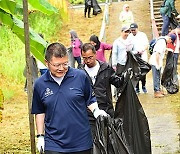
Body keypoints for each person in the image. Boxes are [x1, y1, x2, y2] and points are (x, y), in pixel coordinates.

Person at [31, 42, 107, 153]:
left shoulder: (80, 76)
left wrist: (96, 111)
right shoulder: (40, 84)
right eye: (57, 65)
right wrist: (40, 136)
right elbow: (40, 112)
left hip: (81, 143)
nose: (61, 68)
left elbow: (90, 99)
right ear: (47, 63)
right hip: (54, 144)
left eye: (65, 64)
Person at [80, 43, 124, 137]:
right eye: (84, 58)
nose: (87, 61)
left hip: (106, 110)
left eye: (90, 57)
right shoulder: (79, 72)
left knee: (109, 139)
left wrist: (126, 77)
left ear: (95, 54)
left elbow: (117, 82)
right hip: (88, 114)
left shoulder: (106, 68)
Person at [128, 23, 149, 94]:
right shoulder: (129, 36)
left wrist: (142, 50)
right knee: (135, 71)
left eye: (134, 30)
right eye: (132, 30)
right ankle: (137, 87)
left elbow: (146, 45)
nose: (133, 31)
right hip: (134, 56)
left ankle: (143, 85)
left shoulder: (142, 35)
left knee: (143, 71)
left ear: (137, 29)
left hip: (142, 55)